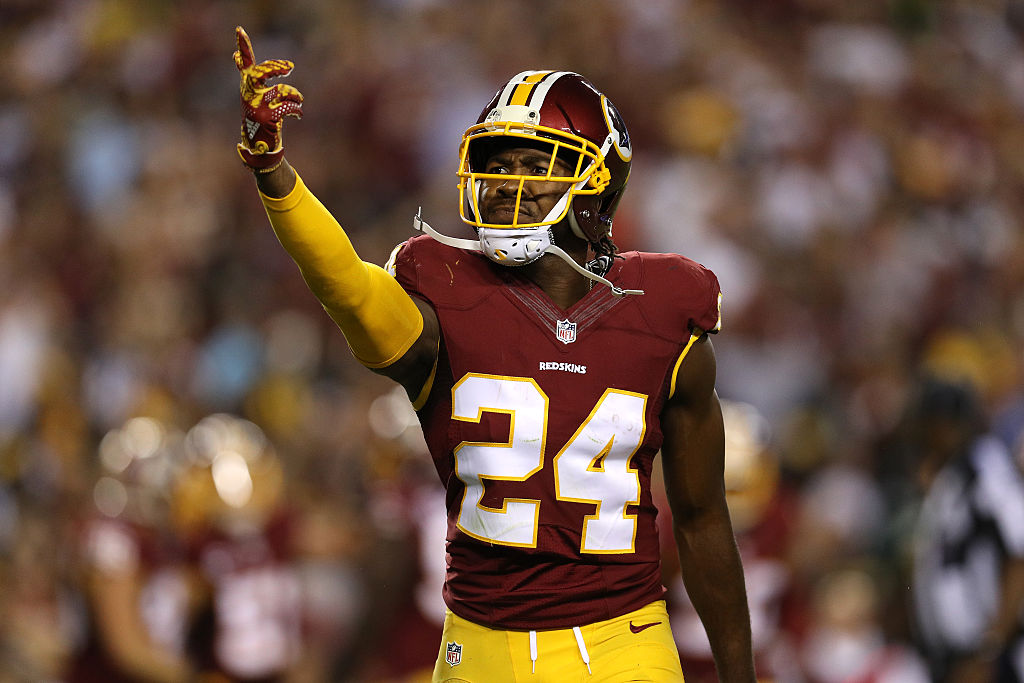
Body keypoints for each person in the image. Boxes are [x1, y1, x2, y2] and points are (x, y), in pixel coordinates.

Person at [232, 25, 756, 682]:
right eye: (500, 162)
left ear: (598, 179)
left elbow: (704, 517)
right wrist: (275, 173)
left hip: (622, 644)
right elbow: (349, 286)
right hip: (478, 649)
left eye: (536, 163)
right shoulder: (446, 291)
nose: (510, 182)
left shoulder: (665, 308)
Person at [906, 377, 1024, 683]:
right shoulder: (953, 474)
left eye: (944, 422)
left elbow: (1020, 553)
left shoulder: (985, 466)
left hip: (989, 659)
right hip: (954, 656)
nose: (936, 432)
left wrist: (990, 647)